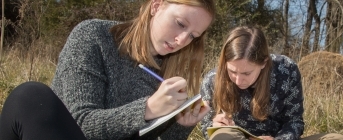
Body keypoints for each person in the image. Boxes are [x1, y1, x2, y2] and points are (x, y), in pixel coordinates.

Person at [0, 0, 216, 139]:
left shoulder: (166, 74)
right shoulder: (94, 36)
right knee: (29, 96)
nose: (182, 40)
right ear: (156, 6)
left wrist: (181, 125)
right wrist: (147, 109)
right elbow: (80, 123)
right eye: (180, 23)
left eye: (193, 36)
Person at [199, 26, 343, 140]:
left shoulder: (286, 70)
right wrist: (214, 127)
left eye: (246, 73)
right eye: (232, 71)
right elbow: (206, 126)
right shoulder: (212, 79)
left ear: (264, 62)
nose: (238, 80)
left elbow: (295, 121)